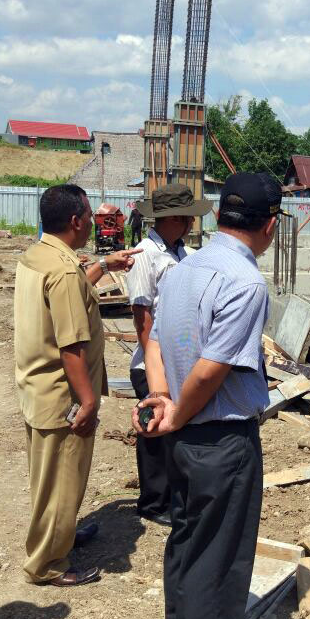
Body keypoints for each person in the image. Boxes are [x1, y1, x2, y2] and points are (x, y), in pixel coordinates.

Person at [134, 172, 286, 619]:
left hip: (184, 439)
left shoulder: (185, 268)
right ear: (270, 225)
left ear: (220, 215)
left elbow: (153, 340)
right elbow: (211, 369)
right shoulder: (244, 282)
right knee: (217, 564)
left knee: (187, 551)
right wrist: (179, 410)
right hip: (220, 440)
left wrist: (160, 398)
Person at [15, 184, 137, 587]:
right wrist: (88, 403)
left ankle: (60, 536)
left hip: (37, 387)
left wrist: (103, 265)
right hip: (62, 395)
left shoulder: (40, 255)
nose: (92, 224)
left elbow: (72, 288)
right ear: (75, 221)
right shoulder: (64, 270)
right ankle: (47, 564)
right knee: (61, 481)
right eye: (89, 217)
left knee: (48, 477)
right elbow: (71, 347)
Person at [125, 183, 212, 525]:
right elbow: (142, 315)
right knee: (153, 433)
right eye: (188, 218)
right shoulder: (145, 254)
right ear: (174, 218)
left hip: (177, 358)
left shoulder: (184, 254)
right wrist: (154, 363)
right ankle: (153, 503)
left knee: (174, 428)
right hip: (152, 360)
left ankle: (173, 497)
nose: (192, 224)